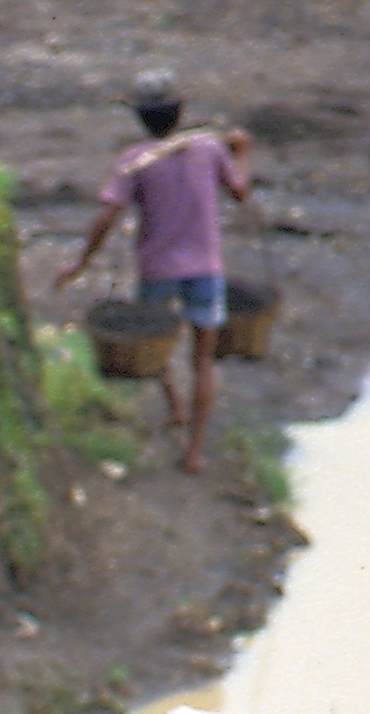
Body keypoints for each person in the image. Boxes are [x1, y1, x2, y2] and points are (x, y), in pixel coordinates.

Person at [56, 71, 254, 475]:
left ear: (140, 118)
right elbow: (240, 191)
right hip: (205, 269)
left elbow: (107, 216)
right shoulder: (209, 149)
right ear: (181, 112)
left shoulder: (133, 161)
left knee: (155, 346)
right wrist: (242, 152)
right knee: (202, 360)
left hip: (157, 271)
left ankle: (175, 406)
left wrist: (81, 263)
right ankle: (194, 452)